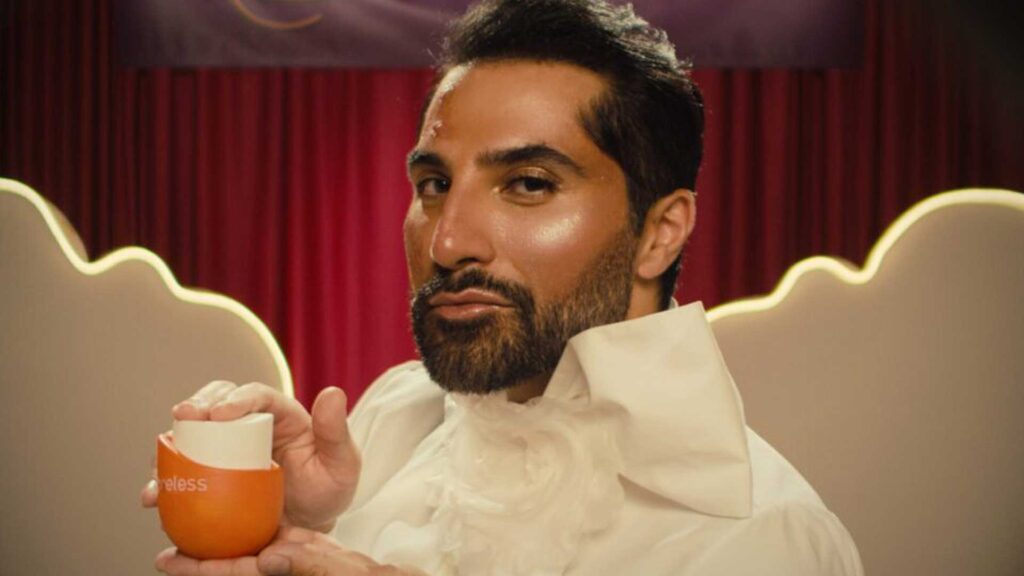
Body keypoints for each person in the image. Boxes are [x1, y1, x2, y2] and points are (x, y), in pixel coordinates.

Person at [143, 0, 864, 574]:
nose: (448, 241)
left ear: (661, 232)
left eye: (528, 183)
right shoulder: (392, 418)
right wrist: (293, 529)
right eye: (433, 184)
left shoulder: (763, 540)